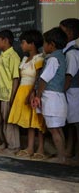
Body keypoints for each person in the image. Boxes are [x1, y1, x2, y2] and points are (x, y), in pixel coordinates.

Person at [7, 30, 46, 159]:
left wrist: (33, 92)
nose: (21, 46)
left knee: (37, 121)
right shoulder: (24, 59)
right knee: (29, 121)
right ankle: (29, 147)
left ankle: (40, 148)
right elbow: (19, 78)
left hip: (32, 91)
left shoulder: (39, 58)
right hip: (22, 91)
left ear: (32, 44)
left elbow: (39, 78)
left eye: (23, 43)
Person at [33, 27, 68, 163]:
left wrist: (38, 95)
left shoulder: (53, 59)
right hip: (58, 97)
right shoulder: (61, 57)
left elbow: (44, 79)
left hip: (51, 97)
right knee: (58, 129)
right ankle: (62, 156)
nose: (43, 46)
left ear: (51, 45)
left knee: (54, 130)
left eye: (45, 43)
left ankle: (60, 158)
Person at [0, 29, 21, 154]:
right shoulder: (1, 54)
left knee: (9, 121)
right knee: (0, 119)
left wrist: (13, 96)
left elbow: (16, 78)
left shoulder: (13, 56)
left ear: (5, 40)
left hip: (7, 94)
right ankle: (4, 142)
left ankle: (14, 145)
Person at [59, 18, 79, 159]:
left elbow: (69, 77)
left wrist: (59, 93)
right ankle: (69, 150)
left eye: (62, 32)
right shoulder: (66, 51)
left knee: (75, 124)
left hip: (73, 92)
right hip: (70, 92)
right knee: (71, 124)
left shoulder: (72, 53)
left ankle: (75, 152)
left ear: (70, 33)